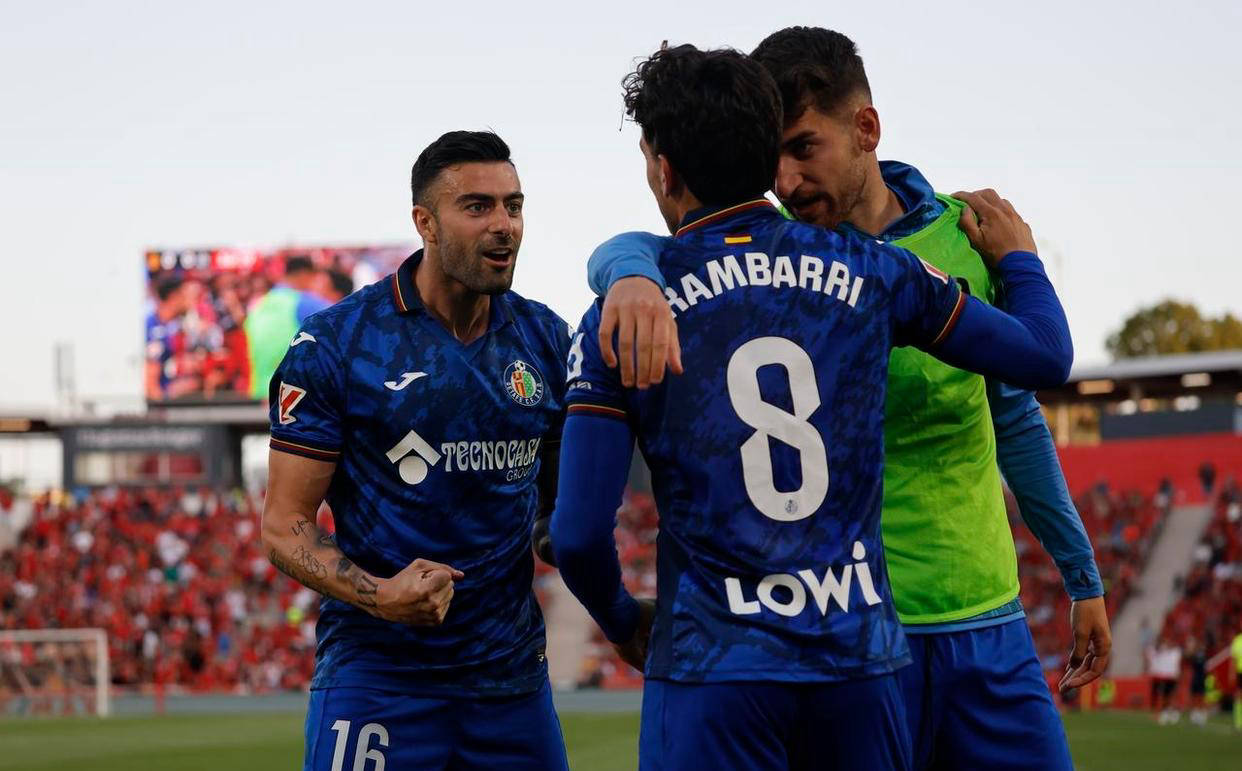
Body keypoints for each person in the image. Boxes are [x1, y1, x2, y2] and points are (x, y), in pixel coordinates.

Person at [587, 27, 1108, 770]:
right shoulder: (770, 262)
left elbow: (1016, 416)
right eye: (772, 157)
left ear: (865, 128)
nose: (786, 181)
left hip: (980, 616)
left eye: (804, 148)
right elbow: (664, 243)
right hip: (855, 636)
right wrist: (627, 266)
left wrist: (1081, 575)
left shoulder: (965, 239)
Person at [260, 130, 570, 770]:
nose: (504, 224)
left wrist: (556, 536)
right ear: (424, 222)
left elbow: (556, 500)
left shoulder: (545, 339)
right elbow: (284, 525)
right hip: (379, 678)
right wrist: (381, 595)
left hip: (510, 683)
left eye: (513, 205)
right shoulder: (337, 344)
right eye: (477, 206)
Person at [244, 255, 331, 400]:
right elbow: (342, 324)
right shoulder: (304, 303)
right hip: (297, 388)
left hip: (263, 388)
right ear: (304, 275)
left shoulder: (260, 304)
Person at [1149, 636, 1182, 725]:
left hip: (1170, 677)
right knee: (1162, 696)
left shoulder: (1176, 652)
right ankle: (1164, 713)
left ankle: (1172, 712)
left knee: (1169, 696)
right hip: (1162, 676)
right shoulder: (1161, 650)